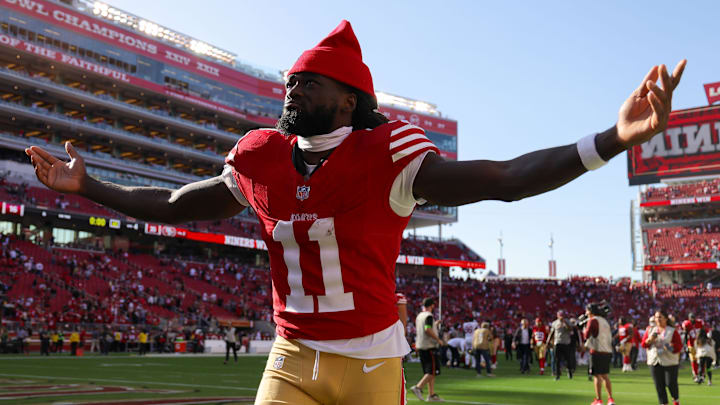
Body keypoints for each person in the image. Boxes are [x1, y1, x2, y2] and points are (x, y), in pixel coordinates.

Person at [24, 17, 686, 404]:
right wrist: (90, 188)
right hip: (291, 353)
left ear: (349, 98)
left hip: (372, 364)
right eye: (290, 79)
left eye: (308, 80)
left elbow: (504, 179)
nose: (293, 87)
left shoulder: (388, 153)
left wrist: (610, 140)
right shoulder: (259, 156)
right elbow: (173, 201)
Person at [642, 310, 683, 405]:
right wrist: (650, 340)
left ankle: (676, 400)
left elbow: (679, 346)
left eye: (660, 317)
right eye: (656, 317)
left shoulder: (672, 331)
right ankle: (663, 403)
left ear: (665, 319)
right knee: (659, 386)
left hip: (669, 361)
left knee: (670, 383)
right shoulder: (650, 330)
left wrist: (670, 346)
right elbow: (644, 344)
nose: (658, 319)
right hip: (654, 360)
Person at [410, 298, 444, 402]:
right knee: (432, 371)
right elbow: (427, 329)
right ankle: (418, 387)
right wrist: (438, 340)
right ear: (432, 305)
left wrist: (435, 324)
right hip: (429, 346)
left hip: (421, 345)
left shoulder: (420, 315)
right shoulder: (429, 316)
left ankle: (431, 394)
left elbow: (426, 326)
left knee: (430, 372)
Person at [583, 303, 615, 405]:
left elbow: (586, 335)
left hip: (597, 350)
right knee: (605, 375)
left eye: (587, 311)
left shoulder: (592, 320)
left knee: (597, 376)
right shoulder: (605, 321)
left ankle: (599, 399)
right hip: (607, 350)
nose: (586, 313)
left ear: (590, 311)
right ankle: (610, 399)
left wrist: (584, 328)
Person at [548, 310, 574, 380]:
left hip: (566, 342)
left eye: (562, 315)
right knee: (557, 359)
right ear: (557, 315)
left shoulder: (567, 321)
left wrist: (565, 323)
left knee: (567, 359)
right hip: (557, 342)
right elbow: (552, 332)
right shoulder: (555, 323)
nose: (561, 317)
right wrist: (548, 341)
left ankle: (569, 371)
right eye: (560, 315)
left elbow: (571, 330)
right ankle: (557, 375)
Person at [681, 313, 706, 382]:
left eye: (693, 317)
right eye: (691, 318)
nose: (692, 319)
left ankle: (702, 374)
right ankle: (695, 375)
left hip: (700, 344)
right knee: (693, 360)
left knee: (702, 360)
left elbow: (704, 332)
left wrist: (705, 342)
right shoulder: (686, 324)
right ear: (689, 318)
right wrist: (686, 345)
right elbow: (686, 335)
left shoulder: (700, 322)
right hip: (691, 344)